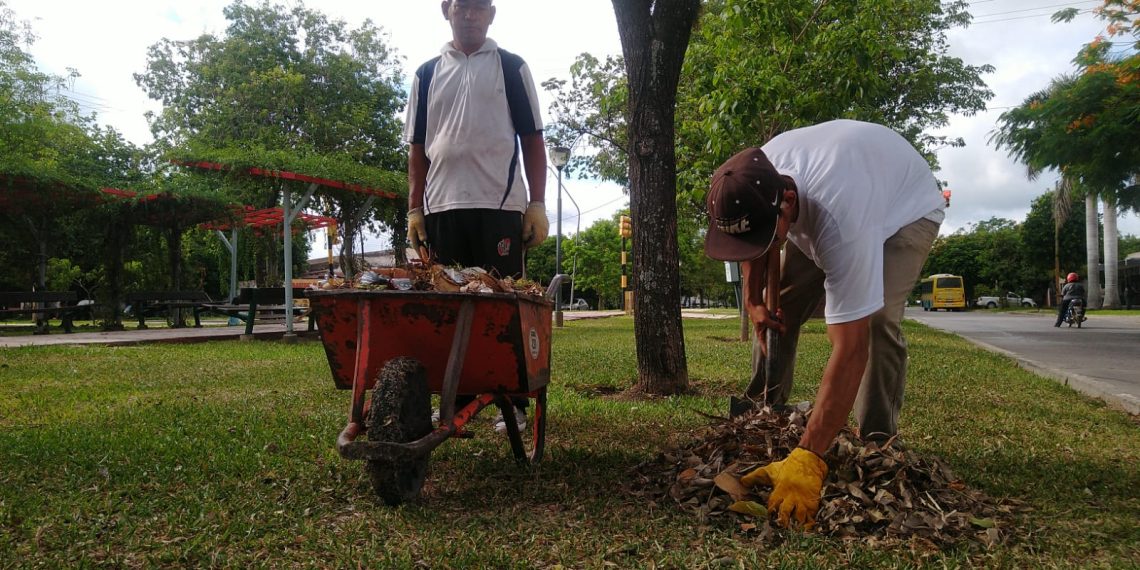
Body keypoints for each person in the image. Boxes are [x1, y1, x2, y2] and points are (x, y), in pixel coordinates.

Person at [703, 120, 945, 528]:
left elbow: (850, 350)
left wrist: (808, 456)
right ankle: (766, 407)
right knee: (784, 303)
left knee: (876, 321)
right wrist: (754, 302)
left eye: (769, 232)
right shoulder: (751, 175)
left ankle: (877, 439)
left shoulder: (841, 222)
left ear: (789, 202)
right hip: (845, 185)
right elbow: (753, 244)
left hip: (906, 208)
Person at [404, 0, 549, 433]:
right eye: (461, 7)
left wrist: (536, 204)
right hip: (442, 206)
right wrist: (415, 208)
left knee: (504, 304)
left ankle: (516, 403)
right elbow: (416, 148)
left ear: (491, 13)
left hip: (499, 205)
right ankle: (456, 398)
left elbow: (533, 140)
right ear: (446, 11)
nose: (470, 15)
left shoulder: (511, 67)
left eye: (478, 7)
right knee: (449, 306)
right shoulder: (426, 74)